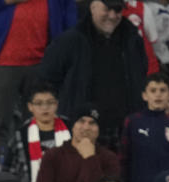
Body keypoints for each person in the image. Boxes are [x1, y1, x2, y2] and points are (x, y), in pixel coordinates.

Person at [38, 0, 149, 148]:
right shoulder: (70, 41)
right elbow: (48, 79)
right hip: (81, 129)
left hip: (122, 128)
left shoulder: (133, 39)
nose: (112, 15)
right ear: (92, 7)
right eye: (107, 9)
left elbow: (140, 76)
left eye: (117, 10)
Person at [0, 0, 59, 137]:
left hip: (42, 60)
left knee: (42, 123)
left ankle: (38, 157)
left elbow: (66, 12)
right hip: (2, 61)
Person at [6, 82, 70, 182]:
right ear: (30, 107)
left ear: (57, 105)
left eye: (49, 103)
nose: (45, 108)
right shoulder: (20, 134)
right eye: (39, 103)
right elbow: (10, 171)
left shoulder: (72, 128)